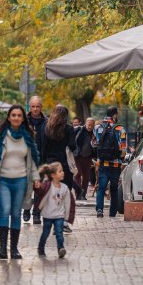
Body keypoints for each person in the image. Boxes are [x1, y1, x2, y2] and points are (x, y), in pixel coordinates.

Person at [0, 104, 41, 259]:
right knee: (5, 210)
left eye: (19, 115)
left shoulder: (28, 136)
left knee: (16, 213)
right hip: (3, 180)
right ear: (9, 117)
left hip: (21, 180)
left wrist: (36, 177)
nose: (16, 118)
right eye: (13, 115)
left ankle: (14, 249)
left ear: (23, 118)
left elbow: (33, 160)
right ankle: (3, 249)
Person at [42, 104, 77, 232]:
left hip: (51, 164)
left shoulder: (47, 129)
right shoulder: (68, 129)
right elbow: (73, 146)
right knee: (64, 194)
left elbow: (44, 149)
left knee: (52, 194)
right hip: (64, 166)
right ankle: (63, 223)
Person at [34, 163, 75, 258]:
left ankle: (61, 248)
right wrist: (37, 186)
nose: (63, 173)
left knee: (59, 233)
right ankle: (41, 248)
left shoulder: (65, 188)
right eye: (60, 171)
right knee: (45, 233)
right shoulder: (47, 185)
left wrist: (66, 216)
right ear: (53, 175)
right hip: (48, 215)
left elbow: (68, 203)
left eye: (62, 170)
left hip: (59, 216)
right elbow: (39, 192)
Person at [93, 106, 127, 218]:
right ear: (115, 115)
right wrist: (121, 158)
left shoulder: (97, 127)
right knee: (114, 189)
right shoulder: (120, 129)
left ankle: (99, 210)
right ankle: (112, 213)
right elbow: (123, 149)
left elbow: (93, 144)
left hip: (102, 163)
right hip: (115, 164)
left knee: (101, 188)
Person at [25, 95, 48, 224]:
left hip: (41, 160)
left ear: (41, 107)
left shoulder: (47, 122)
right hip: (26, 160)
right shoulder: (23, 121)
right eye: (33, 106)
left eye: (37, 106)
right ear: (30, 107)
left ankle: (36, 214)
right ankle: (27, 209)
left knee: (39, 189)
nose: (35, 109)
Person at [73, 117, 96, 200]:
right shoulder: (79, 130)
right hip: (77, 156)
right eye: (88, 125)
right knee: (77, 174)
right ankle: (78, 193)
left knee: (86, 177)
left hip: (88, 157)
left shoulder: (94, 133)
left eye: (91, 125)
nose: (90, 127)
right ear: (85, 123)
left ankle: (83, 194)